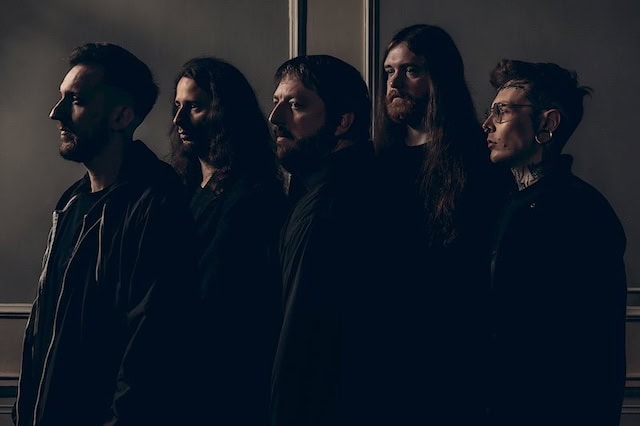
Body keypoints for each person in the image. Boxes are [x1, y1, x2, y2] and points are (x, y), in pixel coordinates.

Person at [14, 43, 198, 426]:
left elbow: (149, 350)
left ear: (121, 116)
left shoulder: (156, 205)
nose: (56, 112)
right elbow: (43, 334)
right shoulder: (71, 204)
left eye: (76, 100)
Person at [371, 24, 508, 424]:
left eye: (411, 70)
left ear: (440, 78)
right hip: (386, 351)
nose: (394, 83)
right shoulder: (375, 163)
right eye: (389, 71)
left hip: (456, 352)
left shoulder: (478, 159)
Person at [481, 59, 627, 426]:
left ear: (547, 124)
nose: (487, 124)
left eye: (501, 112)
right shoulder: (503, 204)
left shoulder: (581, 211)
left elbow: (596, 348)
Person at [169, 56, 286, 425]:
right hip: (180, 372)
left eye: (194, 107)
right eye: (177, 106)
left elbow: (231, 299)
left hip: (224, 380)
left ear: (224, 113)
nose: (179, 119)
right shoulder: (183, 188)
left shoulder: (252, 196)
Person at [268, 54, 379, 426]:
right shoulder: (330, 188)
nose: (276, 117)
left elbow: (300, 343)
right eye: (276, 102)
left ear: (343, 121)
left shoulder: (329, 205)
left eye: (296, 105)